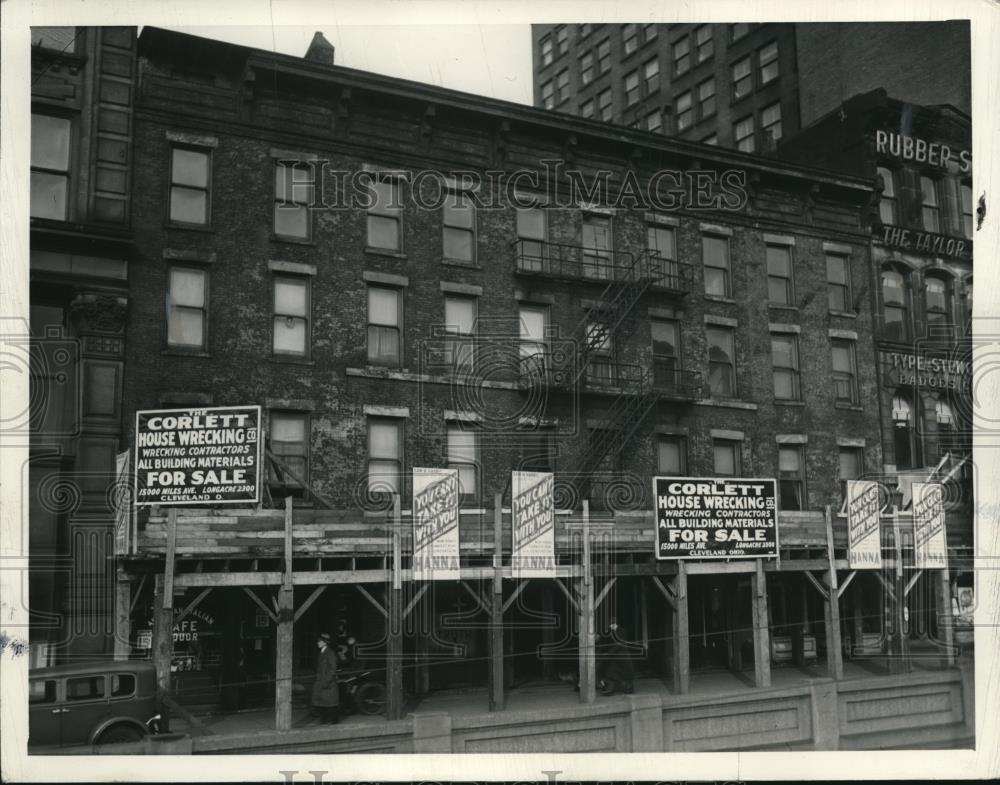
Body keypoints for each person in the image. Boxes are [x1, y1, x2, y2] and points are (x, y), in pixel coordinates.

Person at [599, 623, 635, 696]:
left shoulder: (620, 631)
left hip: (622, 657)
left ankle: (621, 686)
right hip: (617, 656)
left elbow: (618, 645)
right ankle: (610, 686)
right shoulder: (610, 631)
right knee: (609, 669)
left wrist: (608, 654)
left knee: (612, 669)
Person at [311, 632, 340, 724]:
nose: (317, 643)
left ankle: (333, 720)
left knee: (330, 702)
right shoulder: (322, 652)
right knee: (322, 702)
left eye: (319, 641)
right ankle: (324, 719)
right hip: (322, 681)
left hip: (328, 682)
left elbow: (333, 669)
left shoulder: (330, 653)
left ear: (325, 642)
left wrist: (326, 681)